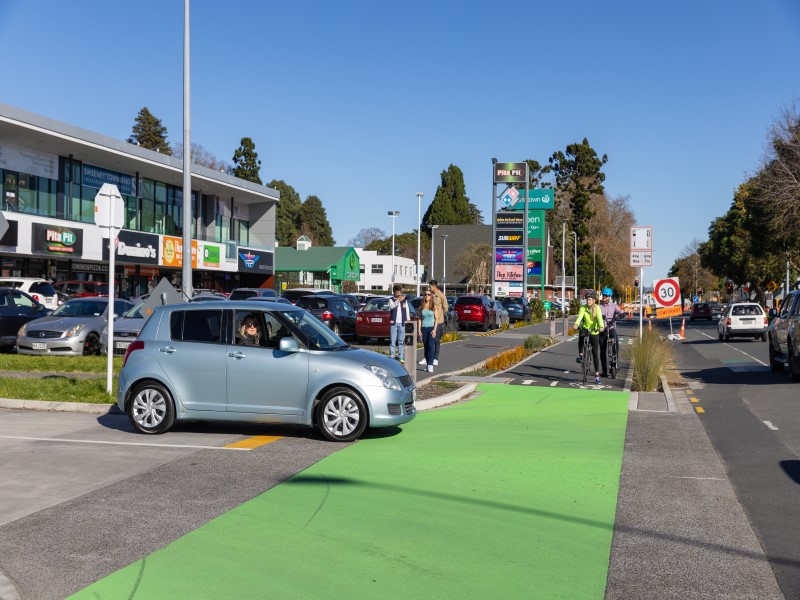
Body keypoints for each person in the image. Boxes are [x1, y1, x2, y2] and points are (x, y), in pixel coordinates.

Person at [574, 290, 604, 384]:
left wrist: (601, 326)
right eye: (587, 299)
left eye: (590, 300)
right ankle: (581, 355)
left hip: (594, 331)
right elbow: (579, 317)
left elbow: (599, 318)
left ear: (594, 300)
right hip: (586, 328)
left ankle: (597, 375)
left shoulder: (597, 308)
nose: (588, 301)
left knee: (595, 352)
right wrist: (576, 324)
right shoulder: (583, 308)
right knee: (581, 336)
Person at [599, 287, 624, 377]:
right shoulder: (599, 306)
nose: (604, 297)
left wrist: (621, 314)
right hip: (602, 330)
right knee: (602, 350)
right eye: (603, 295)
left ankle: (615, 363)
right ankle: (604, 371)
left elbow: (619, 311)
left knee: (615, 347)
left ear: (609, 297)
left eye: (606, 296)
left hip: (611, 328)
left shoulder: (613, 306)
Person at [387, 284, 411, 362]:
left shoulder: (404, 300)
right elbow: (392, 307)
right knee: (393, 340)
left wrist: (408, 320)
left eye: (400, 293)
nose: (399, 295)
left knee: (401, 341)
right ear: (394, 292)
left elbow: (407, 310)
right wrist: (398, 301)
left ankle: (401, 356)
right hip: (394, 323)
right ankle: (392, 355)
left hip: (402, 323)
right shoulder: (391, 299)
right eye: (397, 293)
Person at [417, 291, 438, 372]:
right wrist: (419, 330)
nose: (427, 296)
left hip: (431, 328)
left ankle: (430, 365)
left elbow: (437, 319)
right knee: (426, 347)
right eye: (425, 294)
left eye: (429, 294)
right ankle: (427, 364)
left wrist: (435, 329)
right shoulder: (421, 307)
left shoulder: (433, 306)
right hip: (423, 329)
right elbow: (420, 319)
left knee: (430, 346)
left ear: (431, 296)